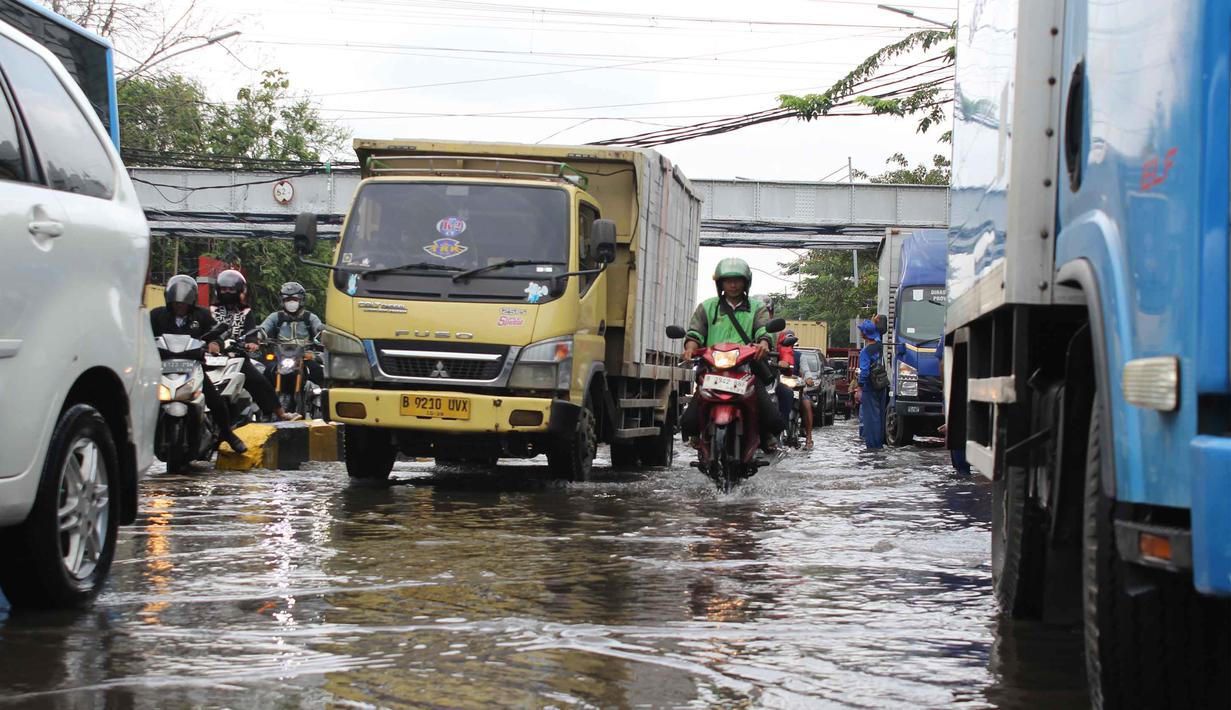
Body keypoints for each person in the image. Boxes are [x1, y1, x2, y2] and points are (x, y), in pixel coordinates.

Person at [680, 258, 784, 452]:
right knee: (688, 422)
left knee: (773, 420)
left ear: (746, 282)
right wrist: (690, 347)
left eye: (738, 280)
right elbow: (695, 332)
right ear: (720, 283)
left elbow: (764, 331)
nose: (733, 284)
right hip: (712, 370)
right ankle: (700, 436)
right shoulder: (707, 307)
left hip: (745, 369)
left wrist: (763, 343)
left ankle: (764, 436)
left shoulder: (757, 308)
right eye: (728, 280)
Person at [150, 275, 247, 454]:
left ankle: (227, 433)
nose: (180, 307)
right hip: (161, 367)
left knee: (216, 401)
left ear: (191, 302)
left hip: (193, 366)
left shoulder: (201, 315)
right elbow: (143, 334)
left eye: (184, 304)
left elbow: (217, 331)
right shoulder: (157, 316)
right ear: (169, 301)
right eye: (176, 303)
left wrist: (215, 343)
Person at [207, 269, 302, 423]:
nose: (227, 292)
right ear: (218, 290)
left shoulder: (246, 312)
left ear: (239, 291)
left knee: (260, 381)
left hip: (235, 357)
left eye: (231, 289)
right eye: (224, 289)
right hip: (210, 358)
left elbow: (251, 333)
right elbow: (205, 331)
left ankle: (280, 413)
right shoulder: (209, 311)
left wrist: (251, 343)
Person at [260, 282, 325, 387]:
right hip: (280, 357)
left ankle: (317, 400)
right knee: (267, 372)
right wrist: (256, 336)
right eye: (287, 300)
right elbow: (263, 328)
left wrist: (323, 334)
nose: (291, 302)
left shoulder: (310, 317)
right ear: (282, 301)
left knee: (318, 372)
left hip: (304, 356)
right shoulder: (275, 317)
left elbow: (319, 328)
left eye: (294, 299)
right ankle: (268, 401)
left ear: (301, 300)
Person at [857, 319, 887, 450]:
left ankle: (872, 447)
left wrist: (859, 388)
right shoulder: (879, 345)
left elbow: (864, 372)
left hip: (869, 387)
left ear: (864, 334)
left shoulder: (865, 351)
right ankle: (879, 445)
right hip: (881, 385)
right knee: (880, 417)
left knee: (870, 419)